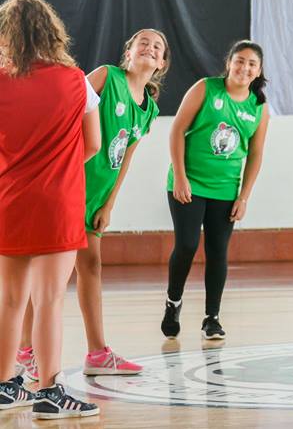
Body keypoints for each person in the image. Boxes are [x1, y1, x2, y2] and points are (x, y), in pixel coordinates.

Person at [18, 29, 167, 379]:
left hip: (96, 197)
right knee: (46, 275)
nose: (149, 47)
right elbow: (66, 106)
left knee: (92, 268)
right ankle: (25, 349)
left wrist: (109, 204)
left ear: (161, 63)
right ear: (127, 53)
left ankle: (98, 352)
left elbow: (126, 158)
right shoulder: (106, 76)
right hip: (66, 188)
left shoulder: (149, 109)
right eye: (142, 42)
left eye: (157, 46)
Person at [0, 0, 101, 418]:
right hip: (57, 202)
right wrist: (54, 170)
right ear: (51, 30)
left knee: (9, 299)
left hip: (8, 199)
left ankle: (5, 385)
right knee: (49, 300)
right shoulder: (75, 79)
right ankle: (48, 392)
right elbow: (93, 143)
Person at [161, 41, 270, 341]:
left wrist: (244, 196)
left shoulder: (259, 107)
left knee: (217, 251)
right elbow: (177, 130)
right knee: (186, 245)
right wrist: (180, 177)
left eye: (251, 64)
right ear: (229, 63)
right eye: (239, 61)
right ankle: (173, 302)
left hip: (225, 190)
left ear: (258, 71)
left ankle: (212, 317)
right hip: (189, 184)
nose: (244, 68)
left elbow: (256, 155)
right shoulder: (206, 89)